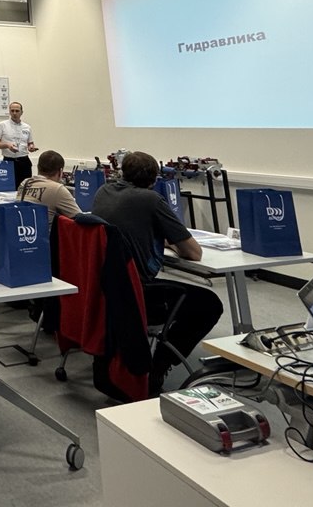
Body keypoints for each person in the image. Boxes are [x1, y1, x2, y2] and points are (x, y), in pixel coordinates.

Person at [91, 150, 224, 393]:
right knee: (209, 304)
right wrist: (172, 242)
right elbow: (194, 252)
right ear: (154, 179)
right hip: (137, 293)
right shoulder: (151, 200)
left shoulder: (104, 191)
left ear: (123, 172)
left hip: (106, 287)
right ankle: (159, 364)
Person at [16, 149, 80, 226]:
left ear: (38, 167)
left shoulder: (25, 183)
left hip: (24, 230)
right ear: (60, 171)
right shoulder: (57, 189)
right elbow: (79, 217)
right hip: (46, 233)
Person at [0, 101, 37, 181]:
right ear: (9, 112)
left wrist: (31, 147)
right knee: (9, 186)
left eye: (17, 111)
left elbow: (30, 143)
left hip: (24, 161)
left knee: (25, 186)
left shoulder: (27, 127)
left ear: (21, 112)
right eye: (12, 111)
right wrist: (7, 145)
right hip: (9, 161)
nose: (14, 113)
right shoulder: (2, 125)